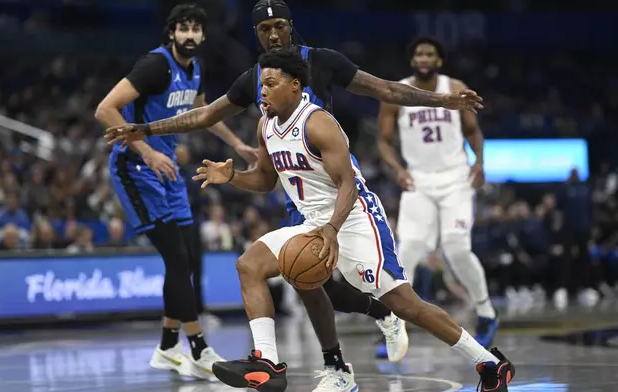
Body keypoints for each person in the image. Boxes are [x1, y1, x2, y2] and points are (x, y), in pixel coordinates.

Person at [104, 0, 484, 361]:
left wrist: (441, 101)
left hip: (339, 188)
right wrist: (145, 129)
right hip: (297, 194)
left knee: (390, 296)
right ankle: (335, 360)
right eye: (265, 29)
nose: (273, 35)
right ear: (256, 33)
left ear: (291, 28)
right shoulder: (255, 79)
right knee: (308, 282)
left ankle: (419, 330)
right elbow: (204, 115)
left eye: (279, 27)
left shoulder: (321, 61)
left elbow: (385, 88)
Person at [193, 49, 515, 392]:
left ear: (295, 86)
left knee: (405, 304)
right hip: (314, 220)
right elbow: (264, 180)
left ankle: (489, 363)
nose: (263, 92)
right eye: (261, 85)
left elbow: (347, 183)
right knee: (249, 264)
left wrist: (332, 230)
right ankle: (268, 363)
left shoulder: (318, 122)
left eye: (271, 84)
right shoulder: (265, 126)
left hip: (356, 219)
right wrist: (231, 177)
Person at [94, 4, 259, 379]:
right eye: (182, 28)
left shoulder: (196, 70)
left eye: (195, 29)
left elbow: (204, 115)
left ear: (202, 36)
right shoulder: (155, 66)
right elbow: (105, 109)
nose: (189, 34)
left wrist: (238, 145)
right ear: (171, 34)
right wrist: (147, 150)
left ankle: (168, 347)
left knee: (190, 257)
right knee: (178, 261)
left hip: (168, 170)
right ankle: (198, 348)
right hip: (136, 167)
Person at [376, 36, 499, 351]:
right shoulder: (397, 91)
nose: (424, 57)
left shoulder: (453, 85)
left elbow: (472, 130)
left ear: (439, 60)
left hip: (455, 178)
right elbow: (384, 141)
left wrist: (480, 162)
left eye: (430, 53)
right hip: (418, 180)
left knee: (457, 247)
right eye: (419, 53)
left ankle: (486, 313)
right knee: (407, 251)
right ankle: (394, 325)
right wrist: (397, 169)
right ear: (412, 59)